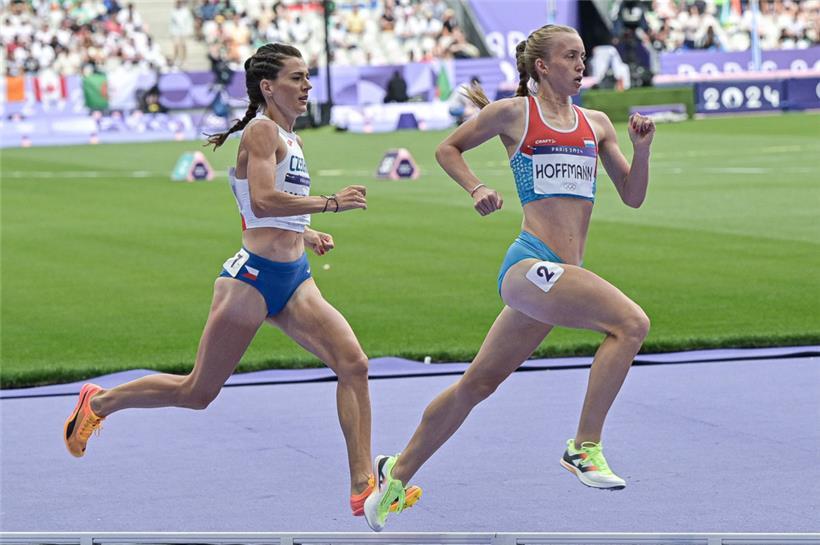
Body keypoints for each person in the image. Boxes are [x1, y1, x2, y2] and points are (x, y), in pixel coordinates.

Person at [62, 42, 420, 518]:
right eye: (297, 78)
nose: (307, 85)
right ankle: (100, 402)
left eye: (308, 76)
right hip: (249, 282)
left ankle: (361, 486)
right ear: (268, 86)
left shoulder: (292, 138)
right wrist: (328, 203)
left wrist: (307, 234)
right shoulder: (260, 130)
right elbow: (266, 199)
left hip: (294, 278)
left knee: (353, 363)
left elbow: (258, 209)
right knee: (197, 393)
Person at [363, 24, 655, 531]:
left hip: (562, 275)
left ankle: (395, 472)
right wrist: (476, 188)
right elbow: (447, 148)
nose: (582, 65)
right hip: (529, 263)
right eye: (571, 56)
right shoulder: (514, 114)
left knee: (476, 384)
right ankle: (584, 447)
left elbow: (632, 194)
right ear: (542, 66)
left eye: (584, 56)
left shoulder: (598, 123)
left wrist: (643, 149)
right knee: (631, 324)